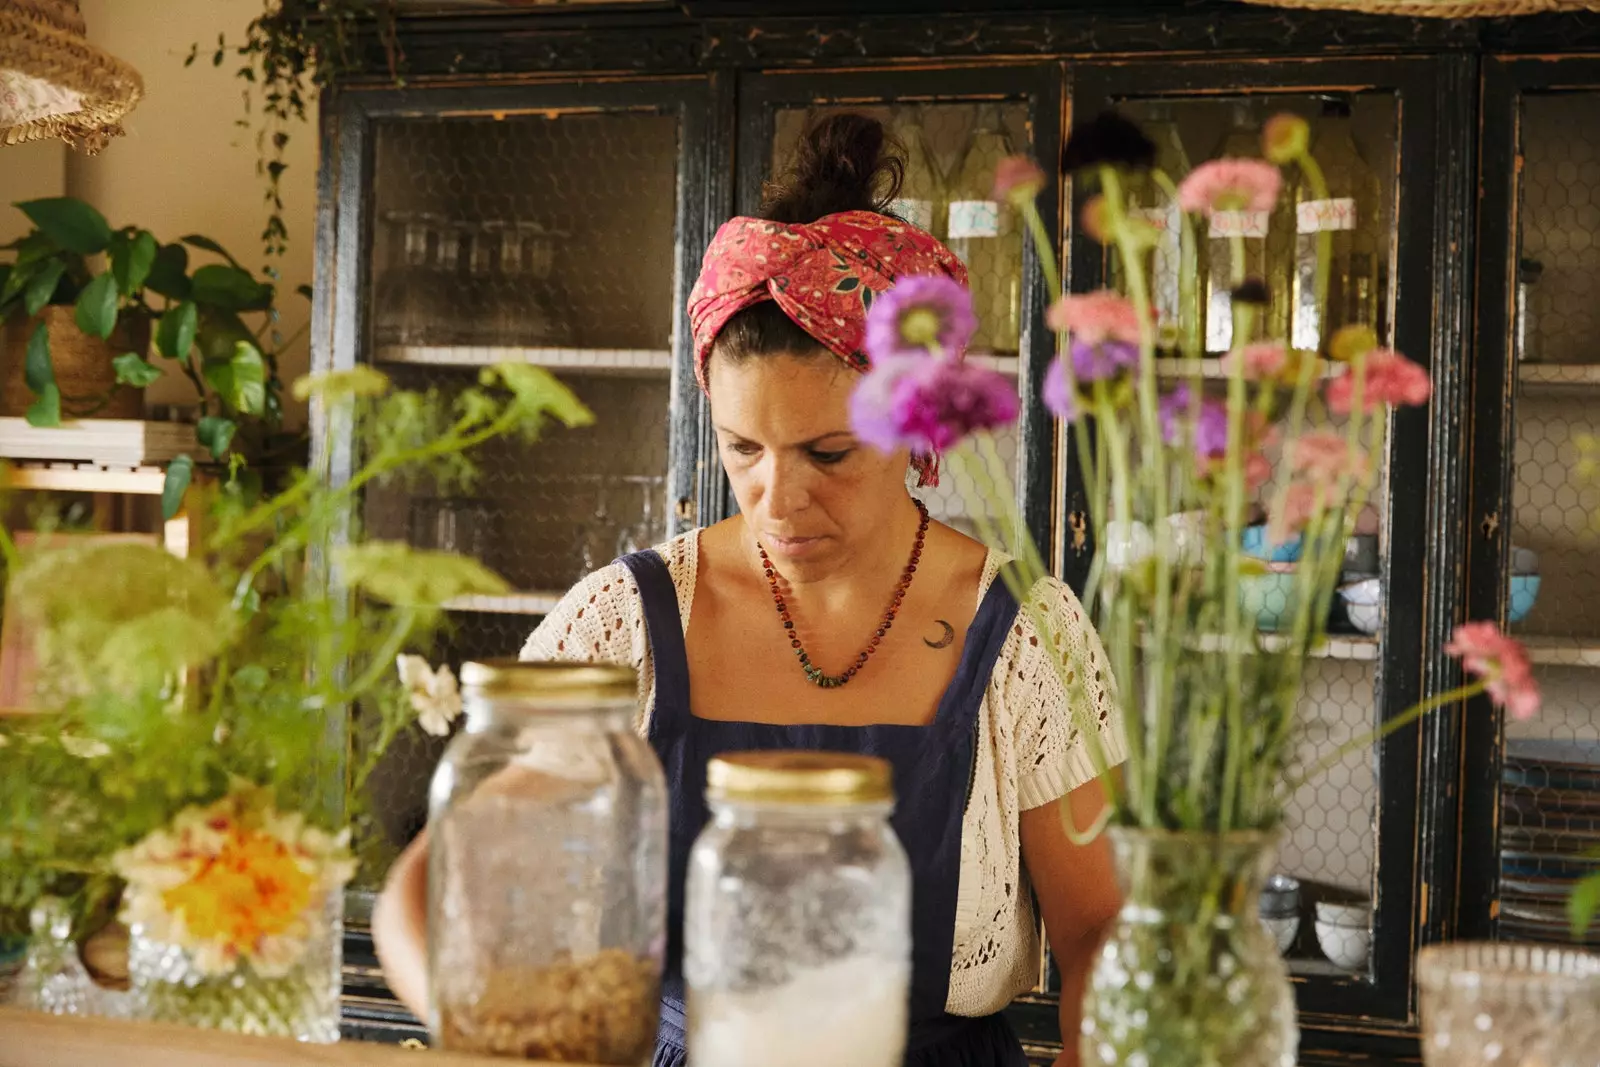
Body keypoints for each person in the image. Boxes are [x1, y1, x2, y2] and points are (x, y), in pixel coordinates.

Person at [373, 113, 1127, 1067]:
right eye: (743, 450)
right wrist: (485, 1026)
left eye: (830, 452)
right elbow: (436, 885)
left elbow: (1099, 924)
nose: (780, 498)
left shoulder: (1027, 636)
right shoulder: (625, 626)